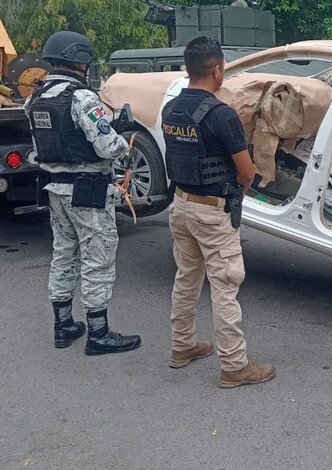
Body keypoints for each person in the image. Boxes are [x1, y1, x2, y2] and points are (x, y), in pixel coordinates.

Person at [163, 36, 275, 388]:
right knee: (225, 286)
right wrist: (239, 190)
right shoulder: (221, 115)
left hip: (180, 206)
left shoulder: (171, 109)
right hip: (212, 212)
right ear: (217, 70)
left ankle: (182, 347)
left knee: (187, 279)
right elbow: (246, 172)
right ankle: (234, 366)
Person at [25, 31, 141, 355]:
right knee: (97, 256)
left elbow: (39, 147)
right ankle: (99, 333)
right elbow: (107, 146)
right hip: (87, 191)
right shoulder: (82, 98)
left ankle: (63, 326)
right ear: (80, 61)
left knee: (63, 253)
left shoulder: (36, 97)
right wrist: (123, 144)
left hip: (53, 187)